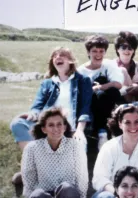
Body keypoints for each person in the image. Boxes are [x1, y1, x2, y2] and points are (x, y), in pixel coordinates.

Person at [10, 47, 92, 192]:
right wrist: (33, 114)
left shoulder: (83, 80)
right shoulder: (48, 83)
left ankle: (64, 186)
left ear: (71, 61)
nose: (58, 58)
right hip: (48, 125)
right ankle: (30, 169)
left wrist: (80, 130)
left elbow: (85, 108)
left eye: (63, 55)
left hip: (69, 127)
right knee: (17, 123)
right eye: (55, 56)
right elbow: (37, 105)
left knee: (80, 143)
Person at [92, 105, 138, 198]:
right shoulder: (109, 147)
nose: (133, 126)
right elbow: (99, 179)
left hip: (137, 195)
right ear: (120, 124)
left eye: (137, 122)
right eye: (127, 122)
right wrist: (118, 194)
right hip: (112, 194)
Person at [21, 108, 88, 198]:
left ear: (64, 127)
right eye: (51, 125)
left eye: (59, 124)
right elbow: (29, 178)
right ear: (44, 129)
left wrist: (82, 196)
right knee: (37, 194)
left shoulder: (75, 146)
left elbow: (82, 177)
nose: (56, 129)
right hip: (44, 194)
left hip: (68, 194)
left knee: (67, 188)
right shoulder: (32, 148)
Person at [78, 35, 124, 145]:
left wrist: (100, 87)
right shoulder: (81, 71)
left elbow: (117, 84)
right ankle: (102, 132)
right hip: (89, 103)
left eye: (101, 51)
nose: (98, 54)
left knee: (111, 91)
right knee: (99, 90)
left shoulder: (108, 65)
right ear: (88, 52)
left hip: (106, 101)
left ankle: (104, 131)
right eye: (94, 51)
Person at [114, 31, 138, 102]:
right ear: (117, 49)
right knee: (122, 71)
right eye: (123, 47)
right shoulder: (111, 66)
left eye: (130, 47)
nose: (127, 50)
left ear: (134, 50)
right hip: (117, 101)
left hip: (137, 101)